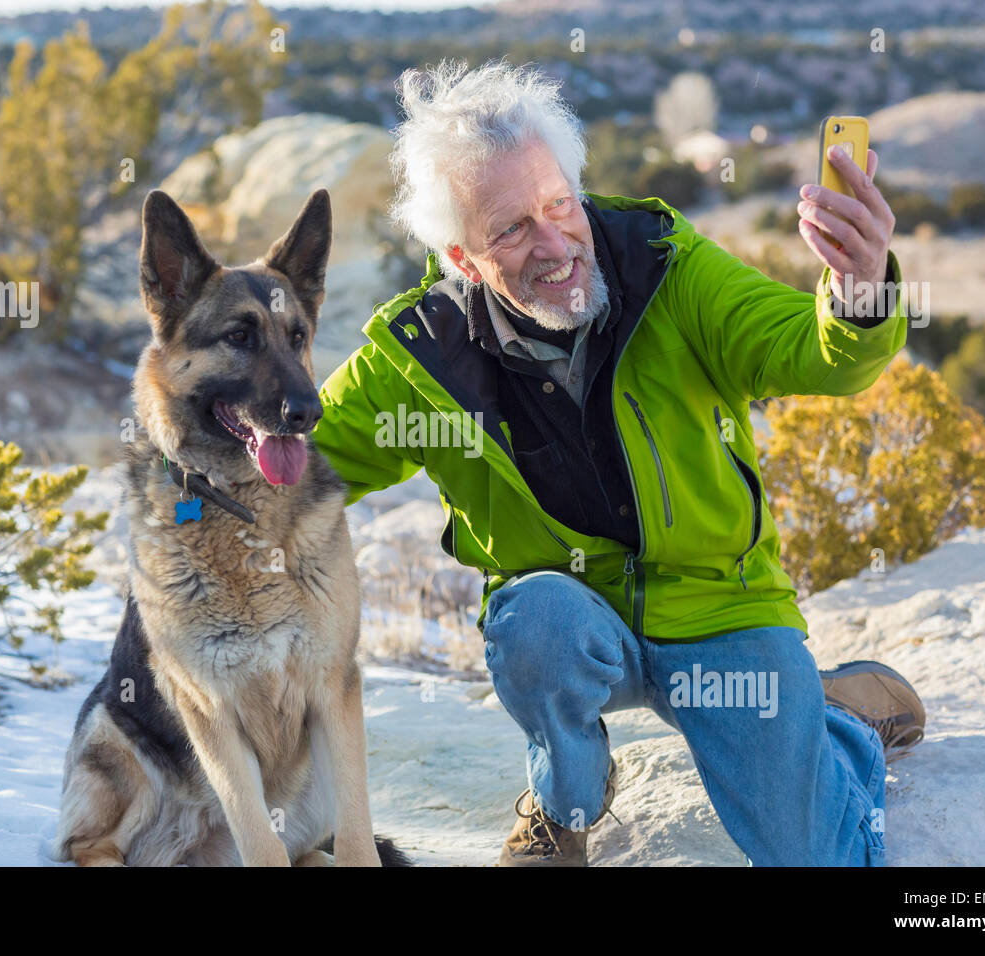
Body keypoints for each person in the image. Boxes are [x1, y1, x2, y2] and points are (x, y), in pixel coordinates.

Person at [311, 59, 923, 867]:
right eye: (511, 229)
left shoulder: (666, 266)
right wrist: (194, 473)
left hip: (720, 612)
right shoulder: (422, 356)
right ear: (462, 259)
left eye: (559, 203)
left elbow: (813, 354)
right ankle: (566, 802)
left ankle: (833, 720)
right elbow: (299, 464)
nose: (555, 241)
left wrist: (860, 291)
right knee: (534, 623)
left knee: (811, 852)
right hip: (572, 633)